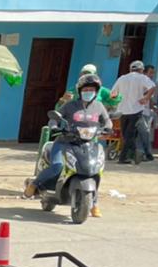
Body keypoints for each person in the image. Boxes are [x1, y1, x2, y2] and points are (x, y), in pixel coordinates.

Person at [26, 73, 111, 217]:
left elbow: (107, 120)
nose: (88, 92)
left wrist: (108, 127)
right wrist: (53, 125)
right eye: (85, 90)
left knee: (95, 170)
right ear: (79, 91)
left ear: (96, 91)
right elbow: (55, 118)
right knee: (57, 166)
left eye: (91, 90)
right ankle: (35, 184)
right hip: (65, 142)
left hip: (88, 144)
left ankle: (94, 202)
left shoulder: (99, 106)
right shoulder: (70, 105)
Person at [109, 60, 156, 163]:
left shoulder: (122, 78)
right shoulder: (142, 78)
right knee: (129, 135)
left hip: (122, 111)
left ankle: (124, 157)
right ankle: (136, 153)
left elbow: (113, 94)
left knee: (126, 135)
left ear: (130, 69)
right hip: (136, 110)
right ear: (141, 70)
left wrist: (116, 100)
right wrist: (146, 98)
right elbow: (153, 86)